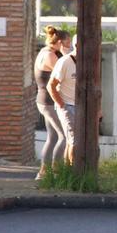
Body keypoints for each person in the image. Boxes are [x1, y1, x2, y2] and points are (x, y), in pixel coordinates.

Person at [34, 27, 70, 178]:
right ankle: (56, 171)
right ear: (60, 42)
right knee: (64, 136)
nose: (69, 45)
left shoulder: (44, 52)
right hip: (49, 102)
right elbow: (63, 73)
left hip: (44, 100)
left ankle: (43, 172)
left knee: (53, 136)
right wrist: (66, 54)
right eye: (67, 42)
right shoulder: (51, 57)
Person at [48, 39, 79, 166]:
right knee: (74, 141)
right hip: (67, 105)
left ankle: (66, 171)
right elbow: (51, 85)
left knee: (72, 141)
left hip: (80, 106)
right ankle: (72, 171)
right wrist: (62, 105)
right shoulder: (65, 62)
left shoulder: (88, 62)